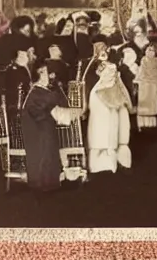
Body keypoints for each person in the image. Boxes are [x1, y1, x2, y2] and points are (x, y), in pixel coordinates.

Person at [21, 58, 83, 192]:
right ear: (40, 72)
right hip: (37, 130)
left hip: (41, 127)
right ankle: (45, 185)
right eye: (47, 73)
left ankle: (46, 183)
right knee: (45, 151)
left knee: (48, 148)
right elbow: (56, 109)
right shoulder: (39, 92)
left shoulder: (40, 91)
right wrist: (76, 113)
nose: (50, 76)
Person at [87, 61, 133, 173]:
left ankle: (118, 160)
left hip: (115, 124)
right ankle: (103, 164)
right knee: (102, 140)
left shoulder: (116, 87)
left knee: (116, 138)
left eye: (113, 71)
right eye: (109, 71)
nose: (112, 74)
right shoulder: (98, 90)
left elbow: (126, 104)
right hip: (102, 123)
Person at [134, 43, 157, 130]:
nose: (149, 52)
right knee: (144, 101)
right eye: (147, 50)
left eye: (152, 50)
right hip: (144, 83)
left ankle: (152, 124)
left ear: (155, 52)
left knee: (152, 103)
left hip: (154, 83)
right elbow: (141, 72)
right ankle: (142, 123)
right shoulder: (143, 60)